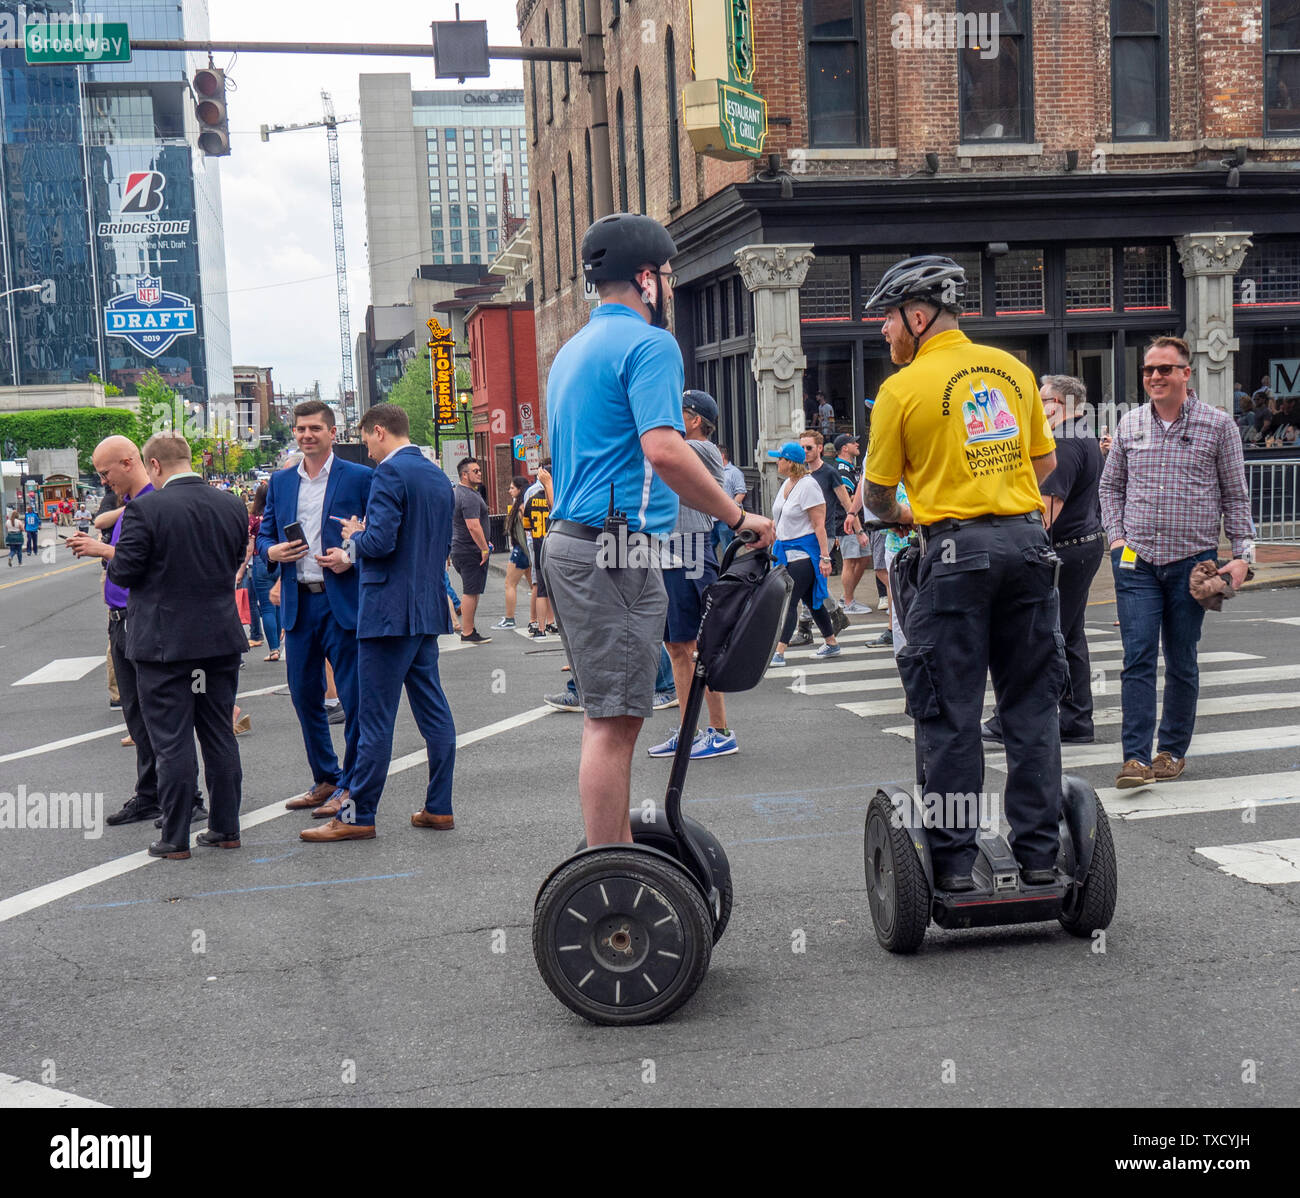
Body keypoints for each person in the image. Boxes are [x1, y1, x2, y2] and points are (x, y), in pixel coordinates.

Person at [543, 212, 773, 847]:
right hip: (612, 548)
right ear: (647, 278)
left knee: (609, 717)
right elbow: (666, 450)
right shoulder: (650, 345)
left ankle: (612, 859)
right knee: (612, 724)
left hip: (575, 542)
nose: (668, 287)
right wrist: (738, 515)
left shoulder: (571, 351)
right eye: (668, 275)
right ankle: (608, 875)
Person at [862, 253, 1063, 893]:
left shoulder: (901, 389)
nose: (884, 332)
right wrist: (993, 488)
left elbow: (874, 497)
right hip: (1030, 548)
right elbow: (1046, 464)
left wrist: (908, 512)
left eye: (889, 320)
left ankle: (951, 868)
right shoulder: (1013, 370)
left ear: (917, 317)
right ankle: (1038, 858)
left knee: (949, 715)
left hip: (953, 555)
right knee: (1031, 711)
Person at [1098, 335, 1253, 788]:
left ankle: (1171, 751)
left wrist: (1243, 556)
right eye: (1149, 370)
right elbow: (1111, 487)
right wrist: (1116, 537)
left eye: (1165, 369)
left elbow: (1236, 494)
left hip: (1193, 563)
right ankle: (1135, 759)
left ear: (1187, 373)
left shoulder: (1217, 425)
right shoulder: (1130, 425)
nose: (1155, 377)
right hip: (1136, 559)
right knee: (1138, 656)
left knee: (1181, 658)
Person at [304, 403, 456, 842]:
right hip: (425, 608)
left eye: (367, 438)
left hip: (387, 612)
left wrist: (355, 536)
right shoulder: (434, 474)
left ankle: (358, 815)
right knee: (433, 711)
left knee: (373, 720)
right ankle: (438, 806)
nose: (366, 447)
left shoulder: (389, 474)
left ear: (379, 431)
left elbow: (382, 542)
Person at [103, 434, 247, 859]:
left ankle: (176, 837)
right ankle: (225, 827)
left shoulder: (145, 508)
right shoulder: (230, 504)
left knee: (172, 740)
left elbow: (124, 573)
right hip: (219, 639)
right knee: (218, 733)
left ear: (154, 465)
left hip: (166, 645)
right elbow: (234, 558)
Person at [68, 437, 207, 828]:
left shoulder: (153, 503)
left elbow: (156, 561)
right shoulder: (128, 506)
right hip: (122, 620)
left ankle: (186, 798)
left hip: (143, 618)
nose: (103, 481)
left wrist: (103, 551)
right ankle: (151, 794)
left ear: (129, 463)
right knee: (136, 715)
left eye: (105, 472)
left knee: (160, 716)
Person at [258, 400, 372, 818]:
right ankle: (325, 776)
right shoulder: (282, 482)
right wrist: (272, 550)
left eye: (315, 429)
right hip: (298, 603)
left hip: (341, 600)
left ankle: (351, 784)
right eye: (301, 429)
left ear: (332, 432)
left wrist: (351, 554)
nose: (307, 436)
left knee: (354, 698)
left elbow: (376, 530)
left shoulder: (359, 477)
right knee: (305, 696)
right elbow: (264, 534)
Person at [983, 374, 1105, 746]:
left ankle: (1014, 719)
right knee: (1069, 636)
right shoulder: (1084, 434)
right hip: (1082, 546)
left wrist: (1021, 554)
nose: (1036, 408)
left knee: (1039, 637)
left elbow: (1045, 513)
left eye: (1042, 400)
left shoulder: (1064, 443)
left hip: (1065, 550)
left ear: (1059, 403)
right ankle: (1076, 719)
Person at [650, 389, 739, 760]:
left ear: (695, 419)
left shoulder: (701, 450)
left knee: (700, 648)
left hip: (690, 549)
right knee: (677, 648)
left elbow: (657, 458)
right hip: (671, 553)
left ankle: (719, 731)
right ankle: (689, 730)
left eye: (678, 412)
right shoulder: (684, 447)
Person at [767, 441, 841, 667]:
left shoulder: (808, 486)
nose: (776, 462)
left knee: (789, 602)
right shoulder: (787, 483)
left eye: (779, 458)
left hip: (803, 555)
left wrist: (825, 557)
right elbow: (779, 518)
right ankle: (831, 643)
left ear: (790, 462)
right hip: (786, 552)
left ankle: (779, 652)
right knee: (812, 601)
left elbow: (819, 525)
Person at [449, 457, 492, 644]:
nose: (480, 473)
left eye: (479, 470)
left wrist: (486, 542)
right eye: (475, 471)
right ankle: (467, 632)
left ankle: (470, 629)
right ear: (464, 475)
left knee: (473, 590)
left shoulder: (459, 493)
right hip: (469, 550)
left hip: (462, 548)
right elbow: (473, 526)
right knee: (470, 590)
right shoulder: (467, 496)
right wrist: (483, 548)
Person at [832, 433, 872, 613]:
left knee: (863, 558)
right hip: (846, 522)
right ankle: (848, 602)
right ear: (844, 448)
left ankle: (847, 597)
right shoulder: (842, 470)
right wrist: (858, 529)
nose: (857, 444)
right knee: (850, 561)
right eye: (853, 442)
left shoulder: (850, 468)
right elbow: (848, 500)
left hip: (856, 522)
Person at [242, 482, 281, 661]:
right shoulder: (278, 513)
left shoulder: (253, 518)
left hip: (260, 560)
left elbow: (250, 547)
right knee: (279, 603)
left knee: (266, 607)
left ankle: (273, 649)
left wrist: (241, 569)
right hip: (280, 558)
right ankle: (280, 639)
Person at [494, 475, 533, 630]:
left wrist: (526, 551)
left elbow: (525, 532)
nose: (509, 490)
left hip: (521, 550)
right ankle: (535, 619)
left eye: (512, 488)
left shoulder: (522, 508)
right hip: (527, 551)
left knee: (510, 584)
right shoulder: (521, 505)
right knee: (534, 587)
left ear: (519, 489)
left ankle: (510, 618)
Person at [521, 461, 555, 637]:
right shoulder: (557, 498)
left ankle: (541, 627)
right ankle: (554, 623)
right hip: (555, 545)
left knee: (541, 588)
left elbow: (526, 526)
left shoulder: (531, 500)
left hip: (538, 544)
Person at [711, 445, 749, 557]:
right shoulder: (711, 471)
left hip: (725, 520)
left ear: (722, 456)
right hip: (711, 518)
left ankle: (729, 573)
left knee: (727, 550)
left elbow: (741, 492)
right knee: (708, 550)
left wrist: (730, 511)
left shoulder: (734, 472)